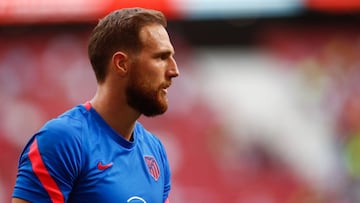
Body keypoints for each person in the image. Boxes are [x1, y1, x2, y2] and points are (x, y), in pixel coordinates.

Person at [12, 7, 179, 203]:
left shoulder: (154, 149)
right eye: (161, 57)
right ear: (121, 64)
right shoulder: (63, 141)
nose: (174, 70)